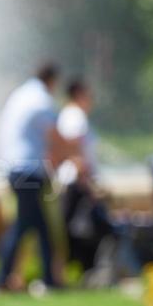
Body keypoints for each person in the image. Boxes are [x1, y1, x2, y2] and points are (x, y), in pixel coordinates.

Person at [0, 63, 65, 292]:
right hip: (28, 170)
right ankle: (2, 279)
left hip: (15, 168)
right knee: (23, 226)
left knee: (36, 226)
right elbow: (54, 136)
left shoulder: (21, 95)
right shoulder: (40, 99)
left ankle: (47, 278)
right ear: (51, 80)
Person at [56, 79, 110, 273]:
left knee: (75, 229)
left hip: (75, 181)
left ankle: (80, 270)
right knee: (83, 230)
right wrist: (88, 183)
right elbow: (74, 149)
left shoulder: (69, 115)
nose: (91, 100)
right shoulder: (75, 116)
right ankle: (84, 270)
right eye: (88, 95)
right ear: (79, 94)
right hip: (76, 181)